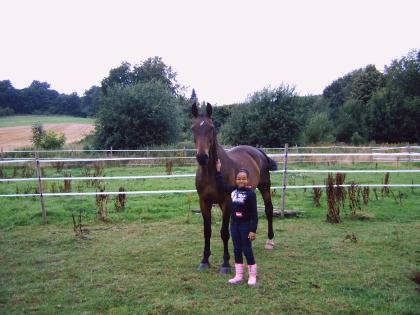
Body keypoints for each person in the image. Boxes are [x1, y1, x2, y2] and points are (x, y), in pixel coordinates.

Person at [215, 159, 258, 286]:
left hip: (245, 226)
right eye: (238, 179)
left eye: (243, 179)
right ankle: (238, 275)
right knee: (237, 249)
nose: (241, 181)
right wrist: (218, 171)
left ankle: (252, 275)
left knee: (247, 249)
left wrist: (253, 230)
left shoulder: (251, 194)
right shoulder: (233, 190)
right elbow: (221, 185)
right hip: (234, 225)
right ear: (235, 180)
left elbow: (254, 214)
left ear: (247, 180)